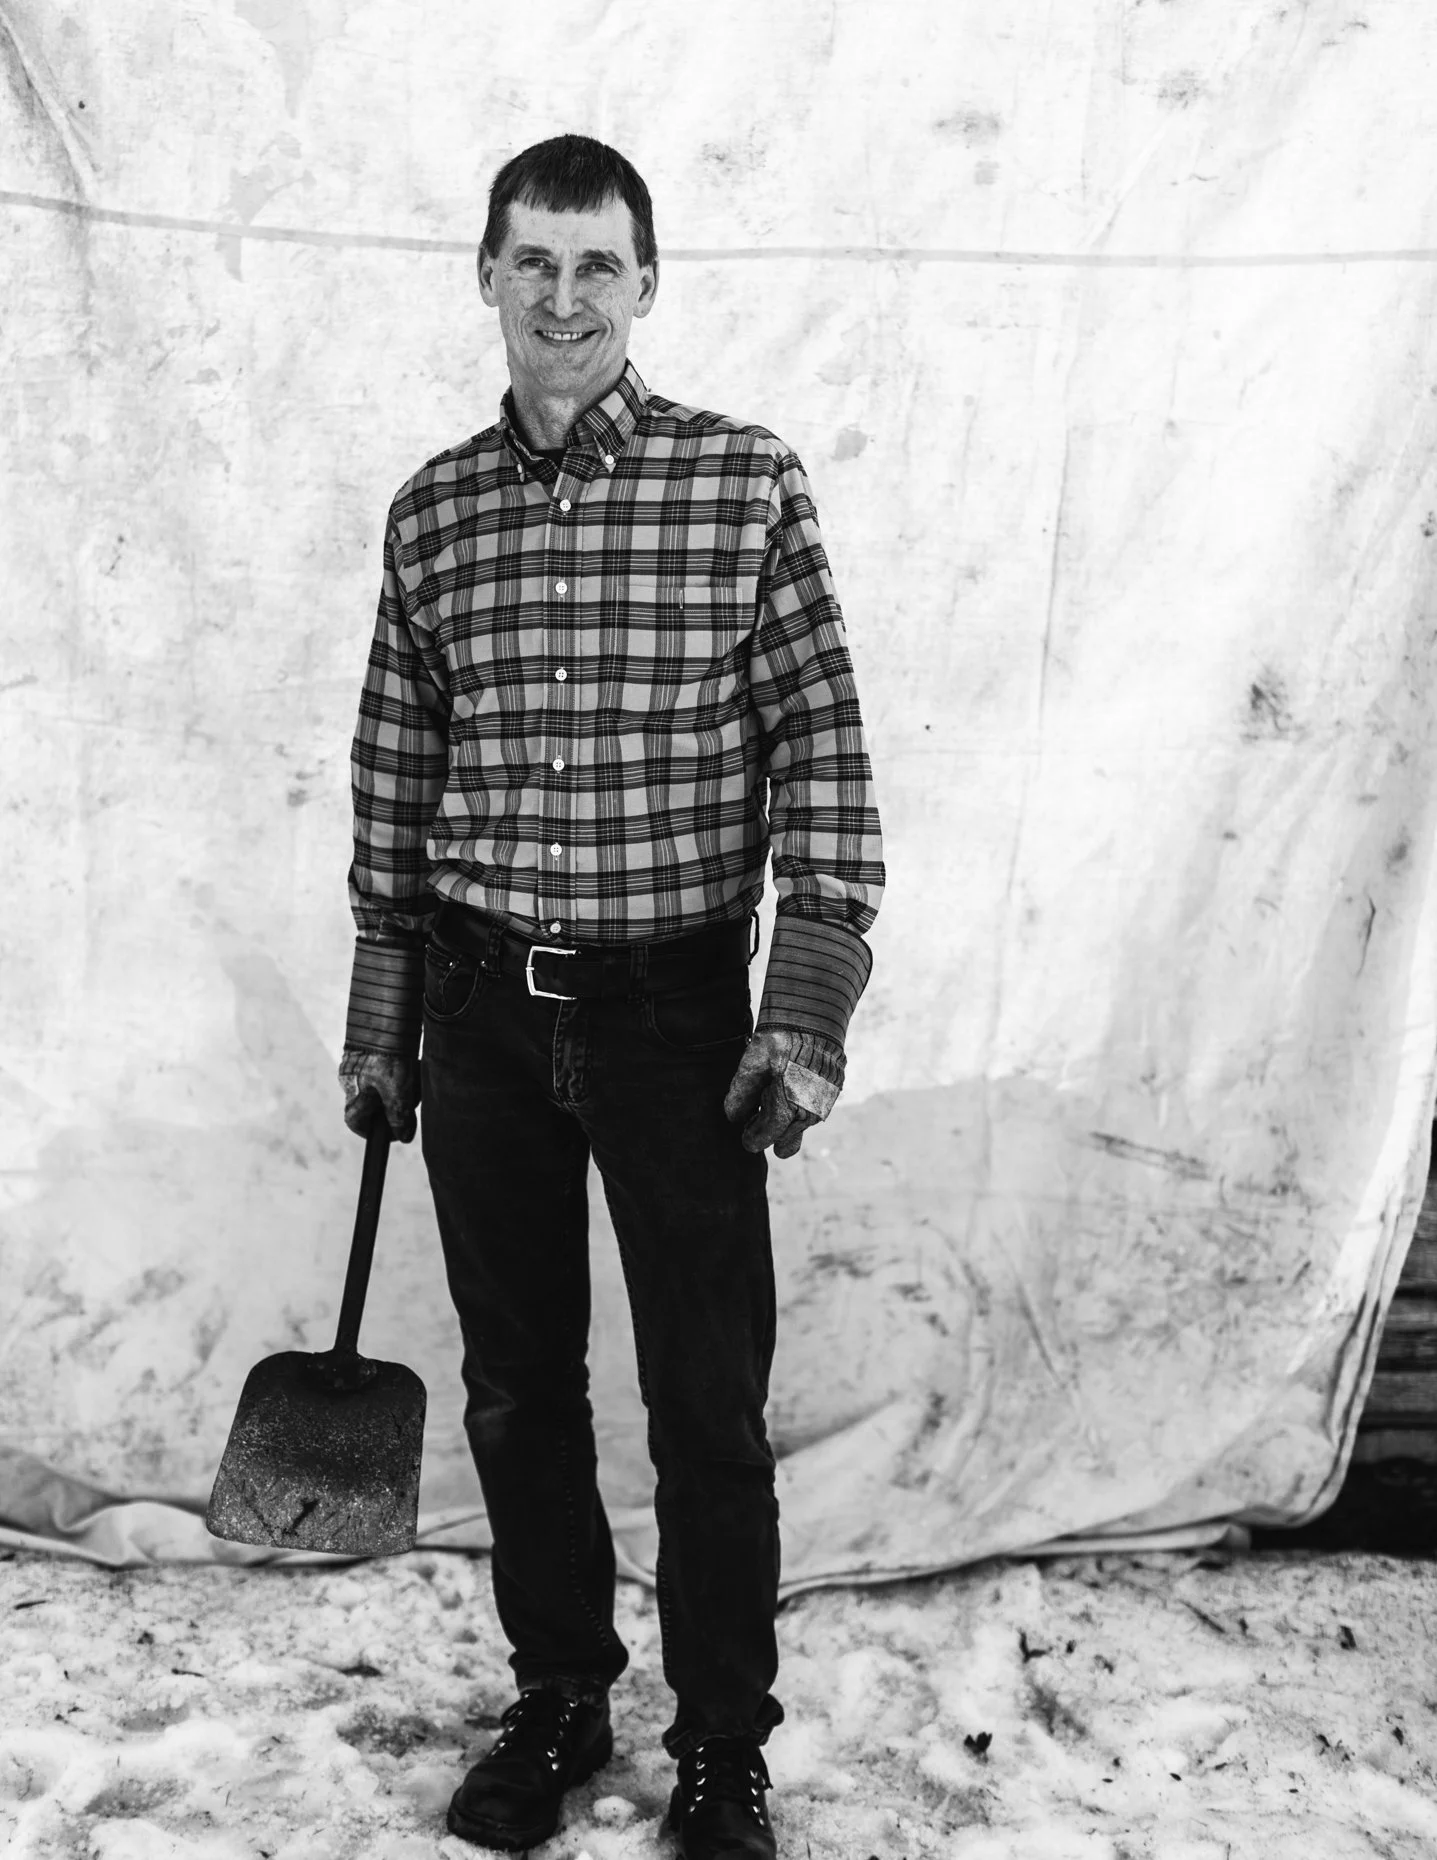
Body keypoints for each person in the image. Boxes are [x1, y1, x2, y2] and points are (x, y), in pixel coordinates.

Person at [337, 134, 884, 1859]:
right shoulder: (435, 511)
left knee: (706, 1403)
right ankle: (562, 1695)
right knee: (519, 1388)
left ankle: (725, 1744)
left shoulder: (743, 485)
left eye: (597, 267)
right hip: (487, 1012)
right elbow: (395, 779)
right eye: (532, 263)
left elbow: (825, 755)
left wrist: (802, 1007)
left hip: (675, 1020)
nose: (562, 300)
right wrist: (384, 1021)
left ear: (646, 284)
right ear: (484, 276)